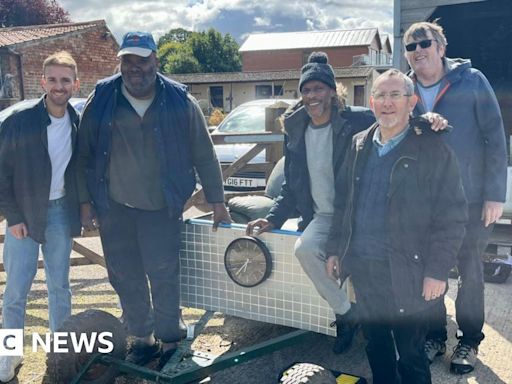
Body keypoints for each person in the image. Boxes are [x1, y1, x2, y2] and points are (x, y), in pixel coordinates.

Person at [76, 31, 231, 369]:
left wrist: (218, 201)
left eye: (142, 60)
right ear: (120, 63)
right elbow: (83, 153)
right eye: (128, 61)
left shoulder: (179, 100)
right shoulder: (102, 97)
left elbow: (204, 153)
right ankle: (143, 340)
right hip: (114, 207)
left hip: (161, 208)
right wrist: (85, 202)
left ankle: (171, 340)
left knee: (163, 274)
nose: (135, 68)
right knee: (124, 275)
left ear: (155, 61)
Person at [325, 69, 468, 384]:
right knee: (376, 346)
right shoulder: (358, 144)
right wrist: (335, 249)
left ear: (411, 102)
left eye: (396, 95)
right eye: (381, 96)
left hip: (409, 272)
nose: (387, 103)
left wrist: (437, 270)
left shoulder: (432, 149)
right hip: (365, 269)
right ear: (372, 101)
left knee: (411, 355)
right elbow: (343, 203)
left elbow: (452, 216)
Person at [246, 52, 376, 353]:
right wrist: (274, 218)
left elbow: (394, 119)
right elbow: (292, 184)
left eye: (318, 88)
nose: (312, 95)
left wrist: (426, 119)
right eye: (306, 90)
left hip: (360, 215)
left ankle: (384, 325)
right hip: (325, 216)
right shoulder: (295, 130)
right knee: (303, 249)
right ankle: (346, 313)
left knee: (370, 263)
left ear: (333, 91)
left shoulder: (358, 121)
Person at [403, 21, 507, 374]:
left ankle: (469, 339)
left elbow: (495, 137)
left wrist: (495, 194)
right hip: (424, 203)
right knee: (428, 268)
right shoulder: (404, 91)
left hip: (471, 200)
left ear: (441, 47)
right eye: (410, 46)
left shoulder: (472, 80)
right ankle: (436, 335)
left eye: (424, 43)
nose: (418, 51)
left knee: (470, 271)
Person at [0, 51, 81, 382]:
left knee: (59, 287)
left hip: (61, 211)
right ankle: (9, 355)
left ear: (75, 83)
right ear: (42, 82)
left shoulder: (78, 121)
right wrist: (14, 215)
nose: (59, 86)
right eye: (53, 79)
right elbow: (2, 172)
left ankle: (60, 354)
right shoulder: (19, 121)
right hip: (24, 216)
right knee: (16, 292)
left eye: (65, 80)